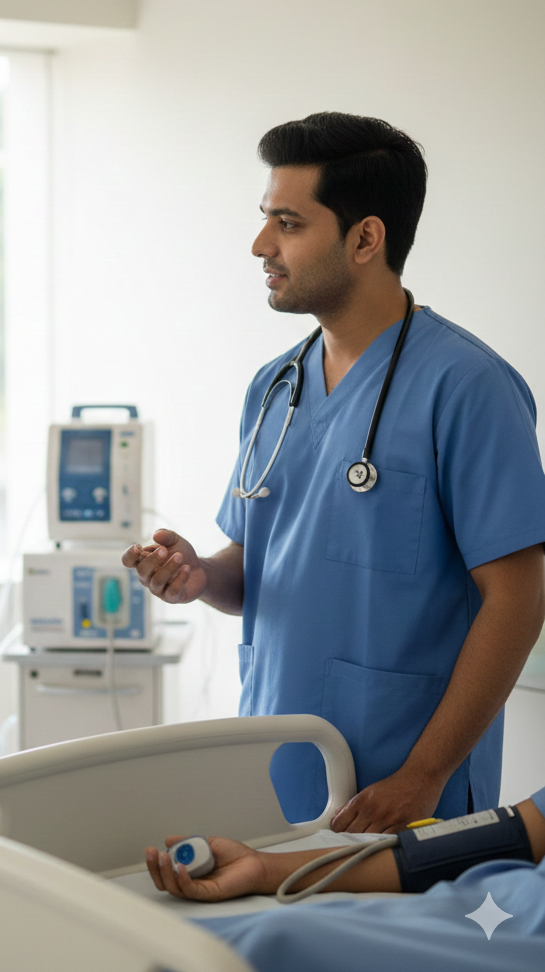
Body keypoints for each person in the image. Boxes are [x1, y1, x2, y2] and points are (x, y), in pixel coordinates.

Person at [123, 112, 545, 832]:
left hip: (402, 789)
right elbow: (260, 567)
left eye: (287, 223)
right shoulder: (273, 388)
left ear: (365, 239)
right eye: (266, 218)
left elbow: (518, 599)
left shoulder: (468, 387)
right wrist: (200, 576)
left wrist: (423, 776)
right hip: (274, 770)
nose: (261, 245)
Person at [144, 787, 545, 972]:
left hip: (519, 937)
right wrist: (266, 869)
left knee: (272, 944)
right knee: (265, 934)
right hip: (495, 907)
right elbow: (516, 831)